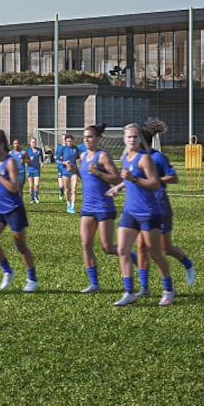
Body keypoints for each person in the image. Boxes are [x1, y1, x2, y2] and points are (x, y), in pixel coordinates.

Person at [112, 122, 174, 307]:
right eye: (129, 136)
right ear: (124, 139)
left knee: (155, 253)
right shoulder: (125, 158)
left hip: (148, 212)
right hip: (129, 211)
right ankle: (129, 292)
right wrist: (119, 185)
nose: (132, 139)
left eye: (135, 136)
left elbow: (155, 183)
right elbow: (128, 181)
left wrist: (134, 178)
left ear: (140, 139)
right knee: (123, 250)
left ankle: (168, 289)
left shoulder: (144, 158)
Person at [141, 119, 196, 289]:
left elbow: (174, 177)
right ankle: (144, 288)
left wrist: (155, 179)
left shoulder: (158, 157)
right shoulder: (136, 158)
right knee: (142, 247)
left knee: (165, 248)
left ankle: (187, 263)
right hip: (143, 207)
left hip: (160, 206)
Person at [0, 130, 39, 291]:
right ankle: (8, 271)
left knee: (20, 245)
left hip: (14, 208)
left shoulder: (10, 163)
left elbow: (14, 188)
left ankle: (32, 279)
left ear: (2, 145)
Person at [75, 124, 120, 293]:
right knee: (86, 244)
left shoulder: (103, 157)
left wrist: (99, 173)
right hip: (87, 207)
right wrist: (75, 170)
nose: (86, 140)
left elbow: (116, 179)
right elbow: (88, 178)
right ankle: (94, 283)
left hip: (103, 206)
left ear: (98, 138)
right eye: (85, 137)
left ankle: (134, 258)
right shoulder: (83, 156)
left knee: (107, 248)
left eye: (90, 137)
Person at [53, 132, 82, 214]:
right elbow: (57, 159)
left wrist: (79, 160)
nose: (69, 143)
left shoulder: (75, 149)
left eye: (71, 141)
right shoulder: (62, 149)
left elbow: (78, 158)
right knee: (66, 189)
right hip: (65, 171)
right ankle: (68, 204)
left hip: (74, 171)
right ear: (65, 141)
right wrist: (64, 163)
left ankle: (73, 206)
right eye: (68, 141)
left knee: (74, 188)